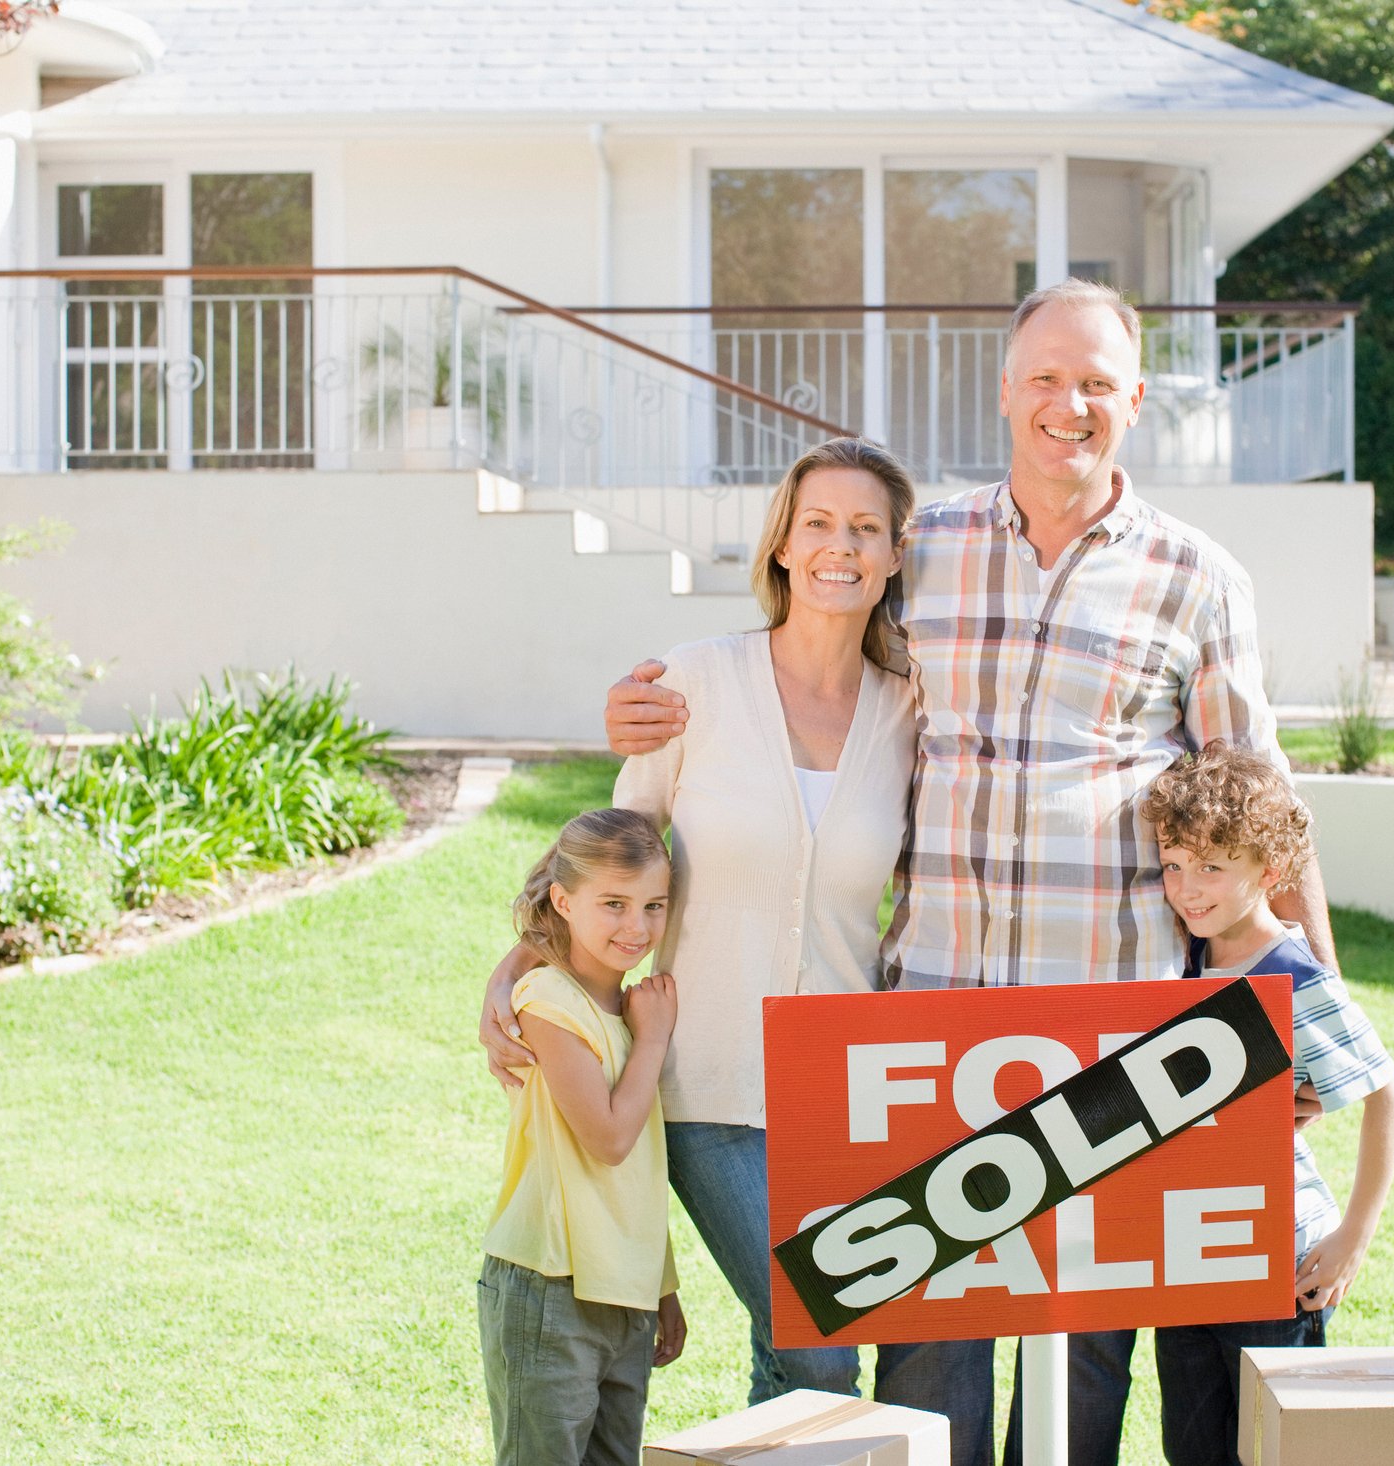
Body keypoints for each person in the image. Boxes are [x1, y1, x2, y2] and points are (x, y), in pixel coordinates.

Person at [603, 279, 1335, 1466]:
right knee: (924, 1347)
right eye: (1045, 377)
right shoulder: (923, 550)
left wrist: (1311, 1017)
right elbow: (804, 665)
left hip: (1110, 1042)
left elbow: (1268, 818)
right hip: (927, 1036)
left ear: (1136, 400)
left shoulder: (1199, 577)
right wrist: (651, 707)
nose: (1069, 404)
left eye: (1097, 382)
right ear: (1004, 391)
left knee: (1080, 1355)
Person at [482, 438, 997, 1466]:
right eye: (817, 523)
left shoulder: (915, 711)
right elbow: (604, 867)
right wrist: (516, 966)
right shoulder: (691, 683)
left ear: (894, 556)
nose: (838, 547)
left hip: (849, 1090)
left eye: (864, 529)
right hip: (702, 1084)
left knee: (816, 1339)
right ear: (782, 542)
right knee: (813, 1335)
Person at [1141, 743, 1394, 1466]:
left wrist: (1354, 1234)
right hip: (1193, 1261)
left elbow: (1391, 1096)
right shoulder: (1189, 958)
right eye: (1173, 864)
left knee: (1275, 1451)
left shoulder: (1291, 973)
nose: (1187, 888)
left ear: (1271, 871)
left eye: (1212, 867)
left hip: (1276, 1264)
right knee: (1193, 1451)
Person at [479, 807, 686, 1466]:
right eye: (615, 904)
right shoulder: (546, 1001)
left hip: (624, 1292)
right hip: (550, 1288)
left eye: (654, 906)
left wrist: (663, 1285)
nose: (638, 926)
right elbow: (608, 1140)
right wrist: (654, 1038)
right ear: (564, 901)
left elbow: (638, 1172)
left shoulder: (625, 1015)